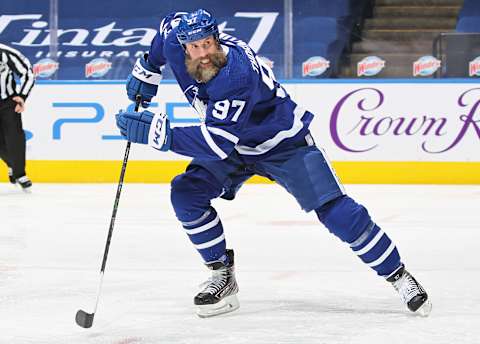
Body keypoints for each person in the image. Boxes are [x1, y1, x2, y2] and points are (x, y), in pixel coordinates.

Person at [116, 9, 432, 318]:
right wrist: (148, 68)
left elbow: (217, 143)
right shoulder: (174, 37)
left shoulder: (234, 73)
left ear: (217, 39)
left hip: (282, 144)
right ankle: (222, 276)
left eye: (209, 43)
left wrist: (161, 134)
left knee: (338, 213)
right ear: (183, 45)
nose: (204, 53)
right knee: (186, 193)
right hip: (236, 144)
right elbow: (163, 34)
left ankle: (400, 277)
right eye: (196, 47)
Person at [0, 43, 34, 190]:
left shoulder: (5, 52)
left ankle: (19, 173)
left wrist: (22, 96)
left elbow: (27, 72)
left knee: (14, 137)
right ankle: (11, 164)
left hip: (7, 102)